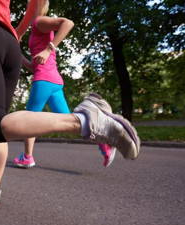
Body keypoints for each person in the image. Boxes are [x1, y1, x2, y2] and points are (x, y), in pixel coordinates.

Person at [0, 0, 140, 207]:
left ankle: (85, 120)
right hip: (8, 41)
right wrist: (17, 32)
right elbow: (35, 2)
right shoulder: (35, 23)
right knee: (2, 125)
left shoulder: (41, 23)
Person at [13, 1, 116, 169]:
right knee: (71, 123)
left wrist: (49, 49)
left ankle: (27, 156)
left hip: (44, 80)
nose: (27, 8)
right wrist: (17, 53)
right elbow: (34, 66)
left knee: (29, 119)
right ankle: (104, 141)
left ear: (37, 4)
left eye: (30, 4)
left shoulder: (39, 21)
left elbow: (68, 23)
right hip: (52, 81)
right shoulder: (36, 26)